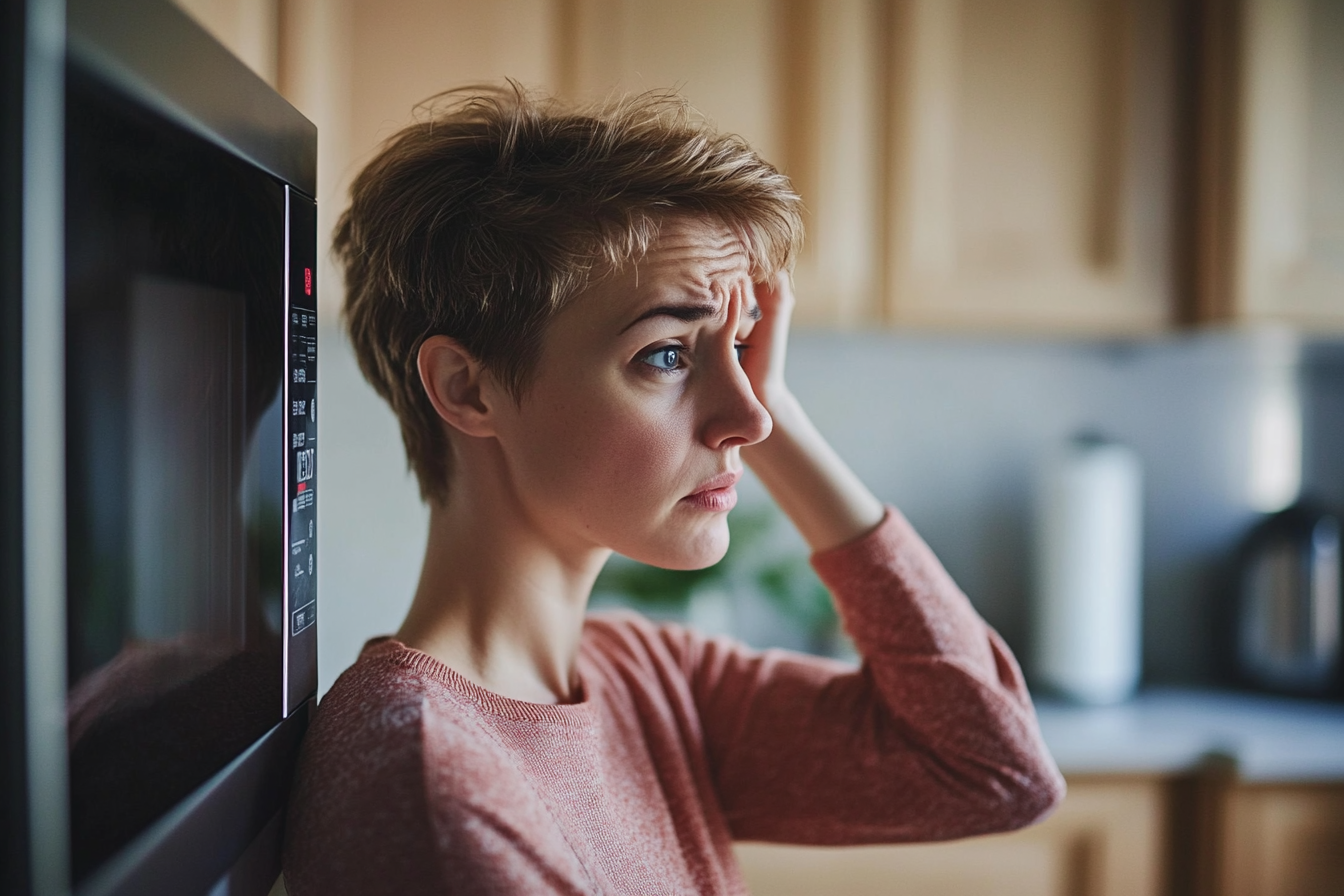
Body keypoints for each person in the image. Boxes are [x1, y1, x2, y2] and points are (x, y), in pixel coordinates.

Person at [283, 84, 1064, 895]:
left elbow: (996, 768)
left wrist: (781, 407)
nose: (749, 421)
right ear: (468, 389)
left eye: (745, 349)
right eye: (665, 354)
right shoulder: (427, 779)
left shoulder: (647, 677)